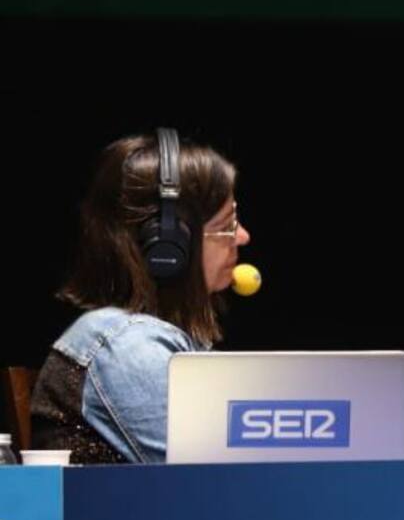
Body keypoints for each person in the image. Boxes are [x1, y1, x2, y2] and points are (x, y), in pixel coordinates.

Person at [31, 129, 250, 463]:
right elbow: (220, 480)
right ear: (168, 245)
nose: (243, 237)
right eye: (226, 226)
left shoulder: (152, 340)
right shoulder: (125, 346)